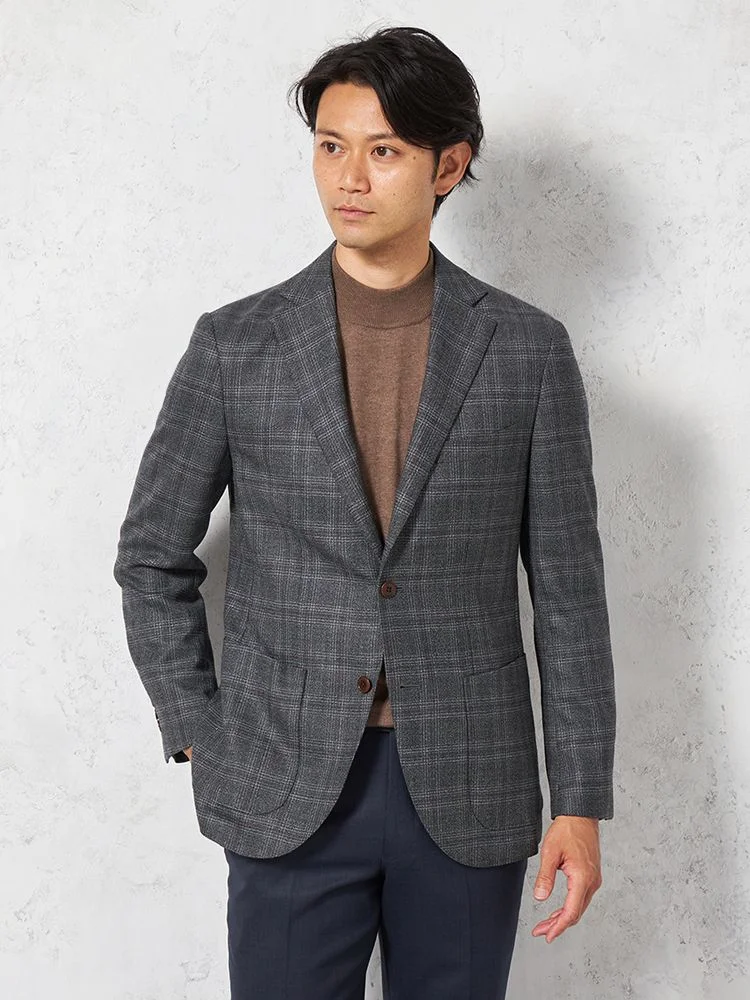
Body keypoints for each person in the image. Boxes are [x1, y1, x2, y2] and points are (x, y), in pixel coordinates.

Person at [113, 24, 616, 1000]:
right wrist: (199, 728)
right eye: (331, 145)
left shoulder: (527, 351)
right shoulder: (236, 345)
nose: (348, 177)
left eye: (383, 150)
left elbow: (568, 594)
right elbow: (150, 556)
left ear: (447, 166)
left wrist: (581, 797)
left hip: (468, 780)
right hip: (283, 777)